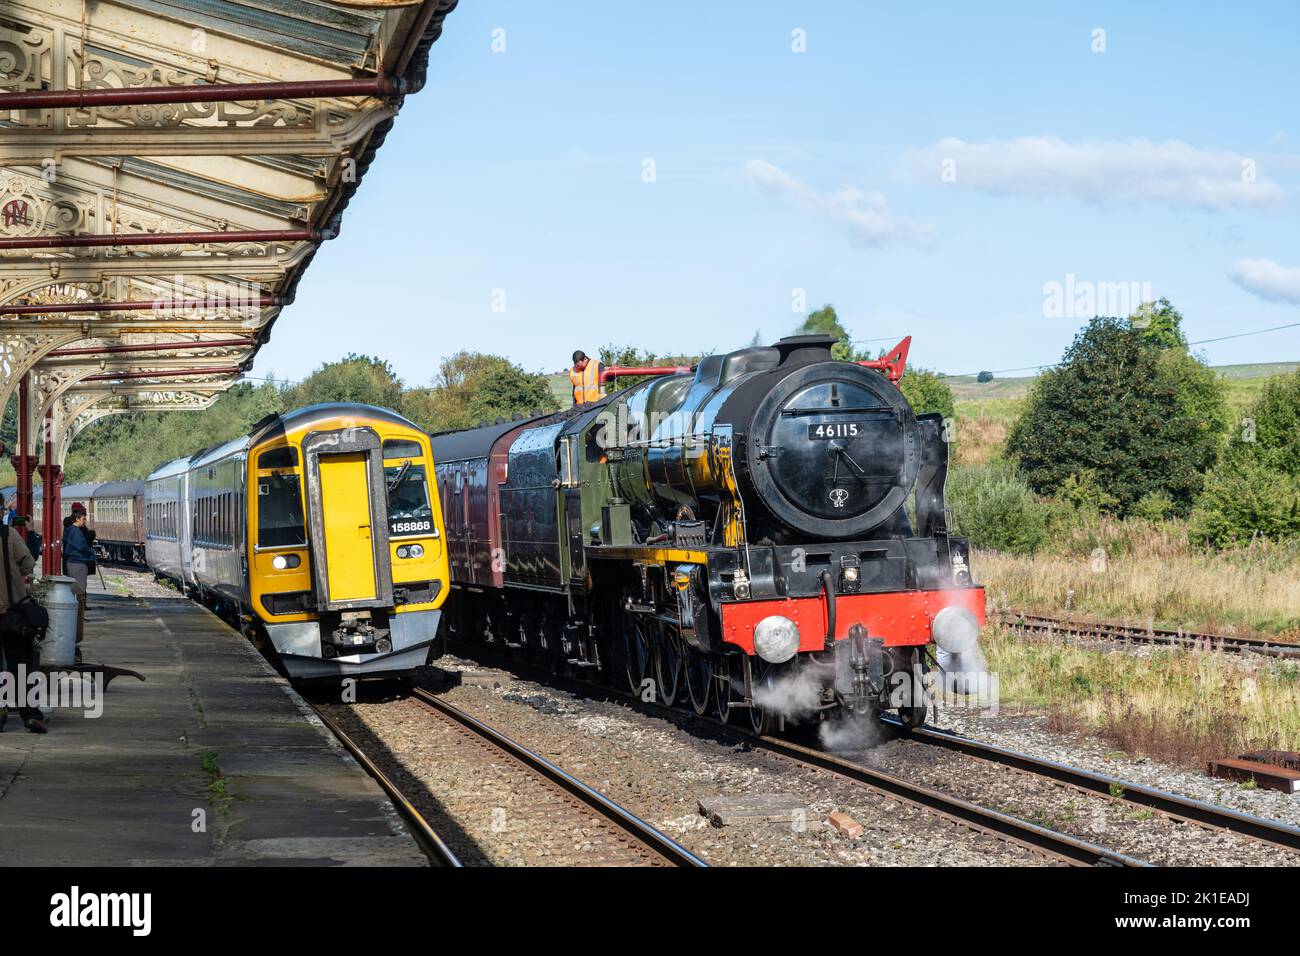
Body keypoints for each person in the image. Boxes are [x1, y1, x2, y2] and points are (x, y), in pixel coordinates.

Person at [0, 497, 44, 733]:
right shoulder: (8, 535)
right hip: (11, 612)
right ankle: (30, 714)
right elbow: (28, 563)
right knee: (22, 664)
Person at [62, 504, 95, 662]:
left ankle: (77, 620)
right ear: (77, 518)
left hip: (74, 563)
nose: (85, 520)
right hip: (77, 563)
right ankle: (77, 622)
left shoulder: (70, 530)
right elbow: (82, 546)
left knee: (78, 592)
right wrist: (91, 554)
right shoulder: (75, 532)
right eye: (83, 518)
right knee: (79, 592)